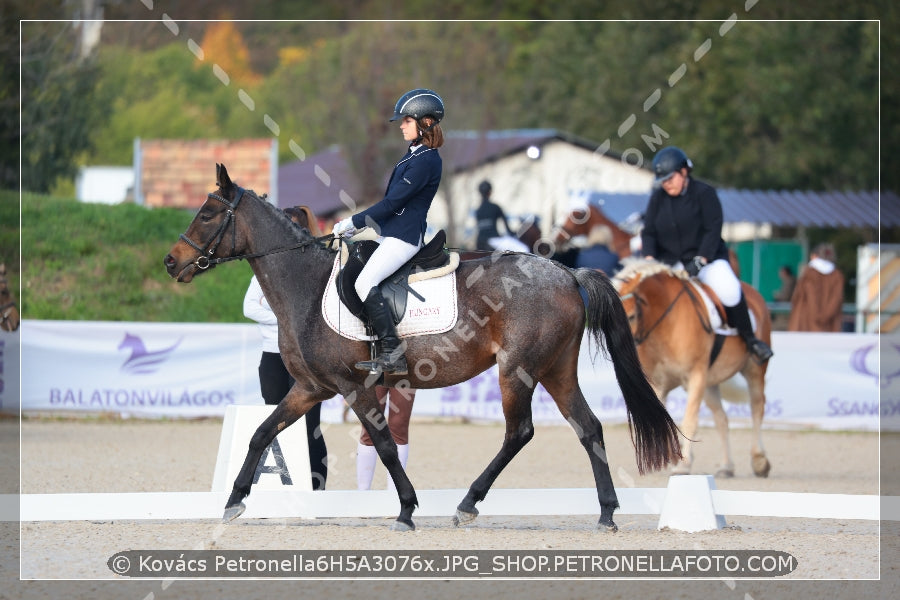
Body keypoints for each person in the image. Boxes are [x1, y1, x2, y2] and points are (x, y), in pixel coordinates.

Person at [332, 88, 445, 375]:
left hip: (404, 237)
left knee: (364, 282)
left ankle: (392, 353)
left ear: (425, 123)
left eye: (407, 121)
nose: (402, 126)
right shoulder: (413, 156)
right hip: (391, 233)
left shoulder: (427, 159)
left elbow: (393, 202)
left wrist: (353, 222)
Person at [641, 146, 773, 363]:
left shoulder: (705, 193)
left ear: (684, 172)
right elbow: (649, 232)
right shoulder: (657, 198)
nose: (666, 184)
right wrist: (648, 259)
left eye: (670, 178)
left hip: (706, 259)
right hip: (670, 264)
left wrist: (701, 259)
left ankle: (750, 341)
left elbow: (713, 228)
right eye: (662, 180)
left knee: (730, 290)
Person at [243, 208, 329, 490]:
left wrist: (287, 322)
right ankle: (277, 486)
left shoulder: (314, 270)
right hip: (272, 354)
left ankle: (317, 488)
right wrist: (286, 321)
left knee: (310, 424)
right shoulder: (266, 272)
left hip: (306, 356)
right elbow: (248, 307)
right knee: (273, 419)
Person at [356, 385, 417, 490]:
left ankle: (395, 492)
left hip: (404, 370)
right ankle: (363, 491)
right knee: (369, 428)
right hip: (373, 370)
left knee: (399, 426)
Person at [788, 243, 845, 332]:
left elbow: (799, 296)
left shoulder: (809, 273)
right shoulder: (837, 275)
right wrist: (825, 316)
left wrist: (816, 315)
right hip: (830, 325)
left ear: (815, 256)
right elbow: (836, 299)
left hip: (805, 323)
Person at [474, 180, 527, 252]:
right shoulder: (495, 207)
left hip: (479, 242)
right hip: (494, 241)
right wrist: (515, 233)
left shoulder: (478, 211)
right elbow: (508, 230)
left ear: (480, 193)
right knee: (524, 249)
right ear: (490, 192)